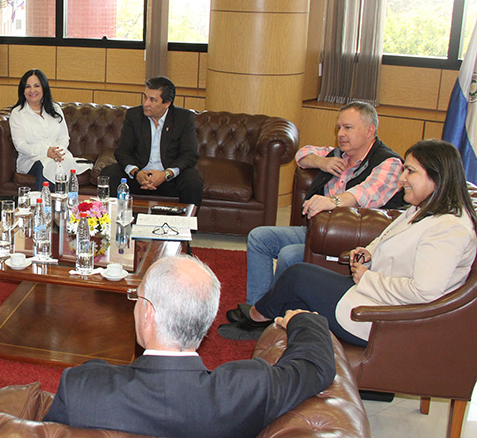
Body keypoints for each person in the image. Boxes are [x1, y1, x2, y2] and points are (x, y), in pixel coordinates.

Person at [43, 255, 336, 438]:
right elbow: (316, 367)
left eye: (138, 299)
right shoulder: (251, 387)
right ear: (206, 320)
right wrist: (304, 321)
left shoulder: (84, 386)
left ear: (148, 313)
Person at [222, 139, 477, 344]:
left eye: (410, 171)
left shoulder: (449, 230)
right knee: (297, 289)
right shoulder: (426, 208)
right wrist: (368, 251)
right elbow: (389, 235)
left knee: (298, 275)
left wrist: (366, 277)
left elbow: (425, 292)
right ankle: (264, 321)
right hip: (375, 296)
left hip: (383, 317)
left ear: (437, 178)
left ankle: (257, 316)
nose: (401, 179)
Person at [232, 101, 406, 322]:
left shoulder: (388, 163)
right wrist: (321, 162)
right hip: (318, 230)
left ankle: (269, 313)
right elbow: (302, 154)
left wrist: (331, 201)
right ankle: (258, 306)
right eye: (339, 128)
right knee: (259, 237)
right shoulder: (339, 155)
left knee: (289, 255)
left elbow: (366, 194)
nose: (341, 134)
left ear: (370, 130)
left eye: (348, 128)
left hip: (351, 240)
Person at [99, 76, 203, 208]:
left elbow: (189, 155)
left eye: (152, 100)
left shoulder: (183, 118)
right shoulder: (134, 115)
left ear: (167, 103)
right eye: (145, 97)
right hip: (139, 176)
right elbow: (123, 152)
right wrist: (136, 173)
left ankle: (187, 226)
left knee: (193, 180)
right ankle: (110, 223)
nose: (146, 103)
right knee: (109, 173)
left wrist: (165, 174)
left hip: (168, 177)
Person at [9, 68, 90, 191]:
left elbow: (64, 137)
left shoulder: (55, 109)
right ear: (22, 90)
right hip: (31, 158)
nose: (32, 90)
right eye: (27, 87)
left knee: (63, 162)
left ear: (44, 88)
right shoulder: (18, 113)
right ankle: (42, 206)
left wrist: (58, 152)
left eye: (37, 86)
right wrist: (45, 152)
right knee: (47, 165)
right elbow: (20, 145)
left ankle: (64, 205)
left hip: (59, 155)